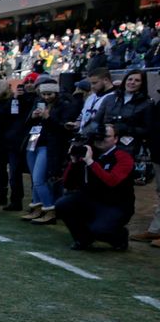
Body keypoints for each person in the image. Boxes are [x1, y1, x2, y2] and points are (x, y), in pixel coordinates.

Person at [55, 123, 135, 251]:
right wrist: (74, 162)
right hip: (91, 200)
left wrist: (91, 162)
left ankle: (119, 237)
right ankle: (83, 238)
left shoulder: (123, 157)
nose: (101, 139)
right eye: (98, 135)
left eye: (106, 136)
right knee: (63, 204)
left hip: (115, 204)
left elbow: (112, 181)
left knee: (99, 230)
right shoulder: (89, 152)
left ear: (116, 139)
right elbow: (68, 184)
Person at [19, 79, 80, 225]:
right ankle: (37, 207)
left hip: (49, 145)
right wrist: (33, 117)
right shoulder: (38, 103)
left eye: (49, 94)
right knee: (35, 180)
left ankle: (49, 209)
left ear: (56, 93)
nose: (46, 97)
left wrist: (48, 118)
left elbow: (64, 128)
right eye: (44, 94)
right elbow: (26, 124)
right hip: (33, 142)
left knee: (39, 179)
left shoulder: (64, 106)